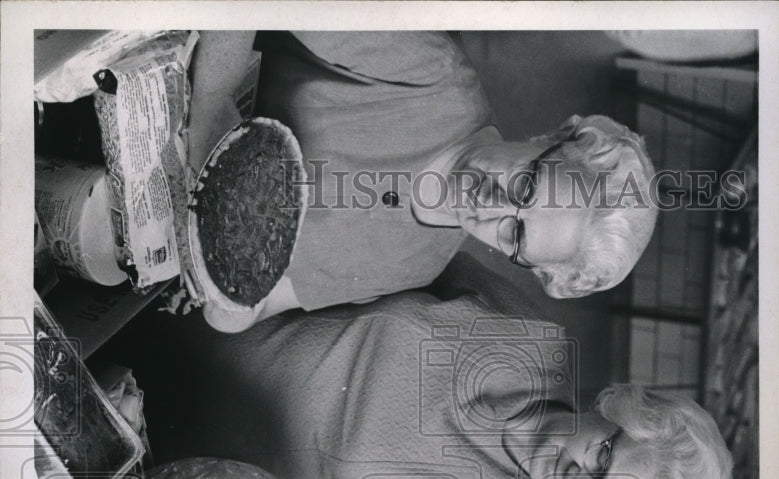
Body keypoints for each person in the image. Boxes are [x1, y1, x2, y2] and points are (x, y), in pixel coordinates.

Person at [142, 254, 732, 479]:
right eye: (604, 459)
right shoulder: (530, 337)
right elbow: (405, 248)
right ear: (616, 409)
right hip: (193, 309)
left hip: (166, 457)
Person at [187, 31, 659, 329]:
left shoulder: (418, 266)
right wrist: (213, 101)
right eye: (525, 186)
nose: (489, 204)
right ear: (552, 136)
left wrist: (224, 296)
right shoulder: (432, 74)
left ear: (526, 263)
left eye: (515, 231)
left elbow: (254, 304)